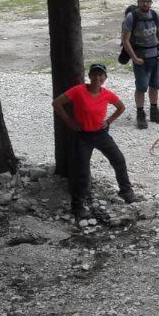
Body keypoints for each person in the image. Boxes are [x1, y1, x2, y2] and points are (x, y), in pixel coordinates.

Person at [52, 63, 136, 220]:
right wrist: (70, 122)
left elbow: (121, 107)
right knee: (82, 172)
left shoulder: (107, 94)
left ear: (105, 78)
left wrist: (109, 121)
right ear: (89, 76)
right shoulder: (78, 90)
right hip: (82, 136)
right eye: (94, 75)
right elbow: (56, 103)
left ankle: (126, 191)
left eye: (101, 75)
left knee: (119, 160)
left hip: (100, 134)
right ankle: (77, 206)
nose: (97, 78)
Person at [121, 0, 159, 129]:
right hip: (141, 57)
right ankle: (140, 114)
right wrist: (134, 58)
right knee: (141, 86)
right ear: (138, 2)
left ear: (151, 2)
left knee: (155, 85)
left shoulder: (155, 15)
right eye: (143, 1)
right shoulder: (131, 18)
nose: (145, 4)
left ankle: (154, 111)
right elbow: (125, 40)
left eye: (148, 1)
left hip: (156, 55)